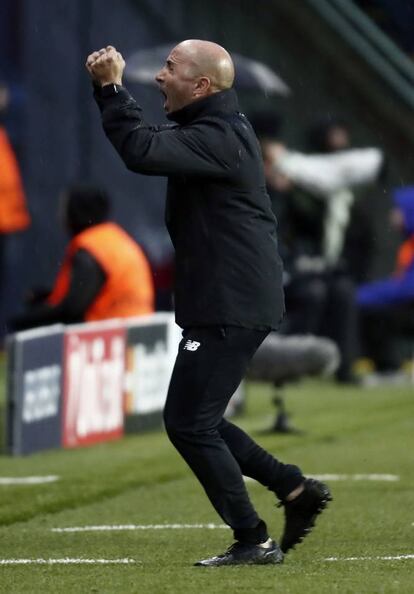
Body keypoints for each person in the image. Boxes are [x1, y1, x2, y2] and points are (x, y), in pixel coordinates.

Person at [86, 40, 331, 567]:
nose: (159, 77)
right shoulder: (216, 130)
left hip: (231, 299)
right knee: (202, 418)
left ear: (201, 85)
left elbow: (141, 151)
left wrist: (110, 89)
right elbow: (151, 144)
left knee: (189, 423)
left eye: (170, 69)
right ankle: (294, 489)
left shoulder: (217, 136)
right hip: (230, 295)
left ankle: (253, 538)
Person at [11, 184, 154, 330]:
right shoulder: (112, 239)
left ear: (76, 211)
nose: (60, 216)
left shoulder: (92, 248)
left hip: (110, 332)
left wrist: (24, 321)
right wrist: (48, 298)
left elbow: (73, 308)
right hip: (131, 327)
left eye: (64, 209)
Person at [357, 186, 414, 374]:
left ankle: (390, 366)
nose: (393, 215)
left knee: (375, 313)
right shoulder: (407, 243)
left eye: (398, 210)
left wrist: (362, 295)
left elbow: (407, 287)